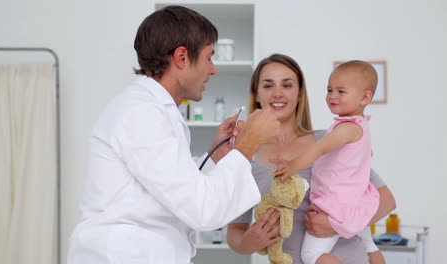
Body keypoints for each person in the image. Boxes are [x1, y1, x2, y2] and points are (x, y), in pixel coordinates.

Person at [67, 6, 280, 264]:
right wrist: (248, 144)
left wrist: (217, 155)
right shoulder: (141, 112)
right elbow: (203, 211)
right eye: (208, 57)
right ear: (181, 57)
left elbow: (175, 188)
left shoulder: (154, 110)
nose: (212, 70)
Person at [227, 54, 396, 264]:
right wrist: (248, 242)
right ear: (257, 93)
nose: (278, 93)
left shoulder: (329, 141)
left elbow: (386, 201)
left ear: (299, 94)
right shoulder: (246, 156)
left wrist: (337, 224)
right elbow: (235, 229)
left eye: (287, 85)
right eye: (268, 85)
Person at [271, 60, 385, 264]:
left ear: (365, 97)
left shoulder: (346, 128)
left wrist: (293, 165)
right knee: (369, 244)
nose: (332, 96)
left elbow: (320, 147)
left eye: (341, 91)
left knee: (311, 255)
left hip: (335, 205)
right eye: (329, 89)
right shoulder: (360, 127)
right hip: (357, 203)